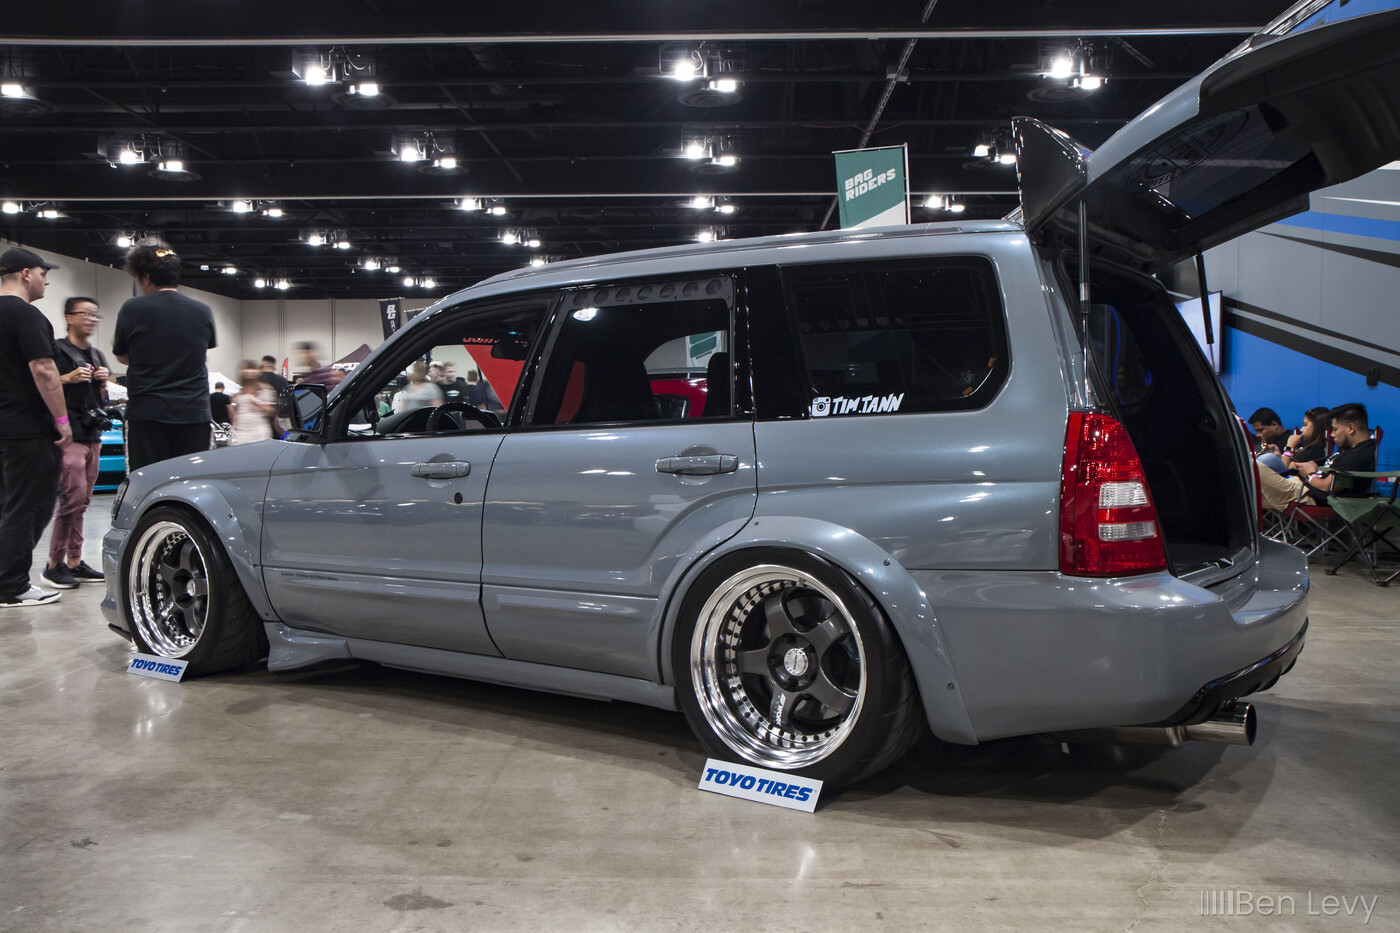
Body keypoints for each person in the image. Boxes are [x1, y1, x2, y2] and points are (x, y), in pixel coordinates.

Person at [0, 247, 70, 608]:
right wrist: (62, 420)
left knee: (6, 506)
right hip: (27, 429)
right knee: (29, 507)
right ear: (26, 274)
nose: (46, 281)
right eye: (44, 274)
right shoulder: (26, 315)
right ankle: (11, 586)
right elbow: (44, 371)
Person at [112, 239, 216, 471]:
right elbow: (201, 355)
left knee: (146, 482)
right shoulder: (202, 310)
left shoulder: (132, 308)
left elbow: (123, 356)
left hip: (148, 413)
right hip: (194, 413)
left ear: (146, 277)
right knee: (194, 481)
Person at [43, 296, 110, 589]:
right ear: (69, 317)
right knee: (71, 500)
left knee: (82, 502)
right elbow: (44, 384)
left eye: (96, 315)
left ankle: (75, 560)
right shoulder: (56, 350)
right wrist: (68, 377)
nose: (91, 319)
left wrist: (104, 382)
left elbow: (102, 399)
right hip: (69, 434)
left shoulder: (96, 354)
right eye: (85, 314)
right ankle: (53, 564)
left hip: (93, 435)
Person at [1291, 403, 1379, 506]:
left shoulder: (1358, 456)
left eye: (1335, 429)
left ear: (1350, 428)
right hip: (1300, 487)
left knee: (1267, 470)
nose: (1332, 434)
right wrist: (1311, 466)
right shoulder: (1349, 448)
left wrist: (1310, 474)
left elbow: (1327, 487)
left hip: (1307, 495)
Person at [230, 360, 277, 445]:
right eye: (246, 369)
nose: (249, 372)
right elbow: (234, 415)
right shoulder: (238, 393)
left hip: (258, 432)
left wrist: (258, 403)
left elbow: (271, 412)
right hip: (240, 433)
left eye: (251, 369)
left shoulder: (264, 389)